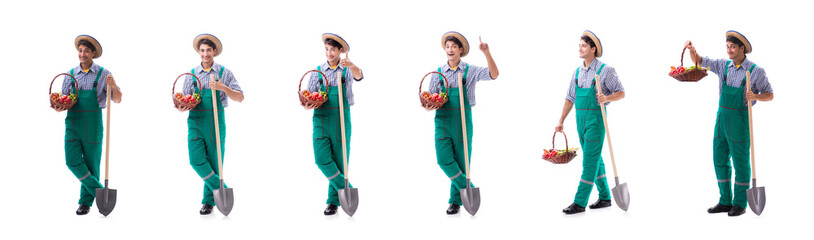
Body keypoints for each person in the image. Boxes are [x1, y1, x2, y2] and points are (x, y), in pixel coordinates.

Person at [684, 30, 774, 217]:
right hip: (722, 119)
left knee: (741, 163)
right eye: (727, 47)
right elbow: (700, 61)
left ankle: (740, 204)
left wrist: (755, 96)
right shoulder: (723, 66)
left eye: (733, 47)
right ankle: (725, 201)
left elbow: (770, 94)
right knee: (719, 159)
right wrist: (692, 50)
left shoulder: (755, 71)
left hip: (740, 122)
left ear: (742, 48)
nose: (729, 50)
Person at [427, 31, 499, 215]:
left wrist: (486, 53)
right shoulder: (438, 73)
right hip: (442, 120)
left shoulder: (470, 71)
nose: (450, 49)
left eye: (453, 46)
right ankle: (468, 187)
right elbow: (431, 99)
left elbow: (494, 74)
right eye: (447, 46)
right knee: (443, 160)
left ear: (460, 50)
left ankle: (455, 202)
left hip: (463, 120)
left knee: (462, 162)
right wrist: (429, 105)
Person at [555, 30, 625, 214]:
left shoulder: (605, 70)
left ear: (593, 49)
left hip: (596, 119)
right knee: (595, 158)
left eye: (584, 45)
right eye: (579, 45)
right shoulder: (577, 72)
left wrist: (607, 97)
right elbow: (570, 97)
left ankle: (579, 202)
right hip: (580, 119)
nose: (580, 48)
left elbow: (621, 92)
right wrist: (561, 120)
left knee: (589, 161)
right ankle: (605, 197)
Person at [53, 35, 123, 215]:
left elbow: (118, 99)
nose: (82, 54)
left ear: (93, 53)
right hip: (73, 122)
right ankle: (98, 190)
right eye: (80, 51)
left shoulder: (103, 74)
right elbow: (65, 100)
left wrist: (113, 84)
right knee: (72, 161)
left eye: (86, 51)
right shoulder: (70, 74)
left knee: (92, 163)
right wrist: (60, 106)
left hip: (93, 124)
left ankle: (85, 202)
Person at [178, 34, 244, 215]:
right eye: (202, 50)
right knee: (196, 160)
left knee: (215, 162)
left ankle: (208, 202)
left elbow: (240, 97)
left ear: (214, 51)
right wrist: (182, 106)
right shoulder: (191, 75)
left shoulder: (224, 73)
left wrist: (223, 88)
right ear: (199, 52)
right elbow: (185, 100)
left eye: (208, 50)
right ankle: (220, 187)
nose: (205, 54)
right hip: (196, 121)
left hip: (216, 120)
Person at [303, 33, 364, 215]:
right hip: (321, 119)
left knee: (340, 162)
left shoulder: (347, 70)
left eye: (333, 50)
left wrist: (351, 65)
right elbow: (309, 95)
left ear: (340, 51)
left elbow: (359, 76)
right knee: (321, 159)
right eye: (327, 49)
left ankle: (332, 202)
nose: (329, 53)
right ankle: (346, 188)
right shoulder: (317, 71)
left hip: (341, 119)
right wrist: (308, 104)